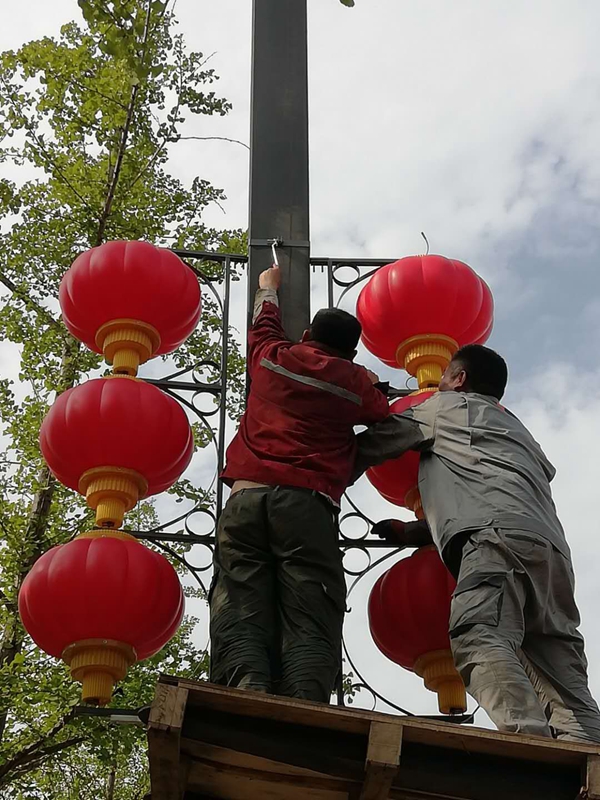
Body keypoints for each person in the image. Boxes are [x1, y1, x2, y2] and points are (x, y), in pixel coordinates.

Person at [354, 343, 600, 742]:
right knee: (560, 667)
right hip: (550, 551)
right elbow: (488, 486)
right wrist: (414, 532)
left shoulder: (443, 408)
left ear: (459, 378)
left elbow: (373, 445)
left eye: (445, 375)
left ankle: (530, 743)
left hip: (493, 539)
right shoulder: (516, 429)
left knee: (479, 634)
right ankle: (587, 748)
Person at [209, 264, 390, 702]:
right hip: (308, 505)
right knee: (311, 601)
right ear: (351, 353)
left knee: (239, 596)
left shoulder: (272, 357)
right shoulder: (353, 383)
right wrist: (368, 382)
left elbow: (263, 325)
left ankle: (246, 686)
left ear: (307, 335)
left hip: (246, 498)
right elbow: (381, 414)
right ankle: (304, 698)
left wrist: (267, 288)